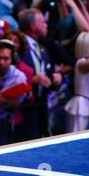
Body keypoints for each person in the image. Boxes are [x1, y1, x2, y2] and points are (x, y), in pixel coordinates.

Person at [18, 8, 62, 138]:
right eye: (43, 22)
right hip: (22, 109)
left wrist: (54, 78)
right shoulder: (18, 46)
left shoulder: (43, 50)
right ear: (33, 26)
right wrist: (32, 79)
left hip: (40, 109)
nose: (46, 24)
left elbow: (44, 76)